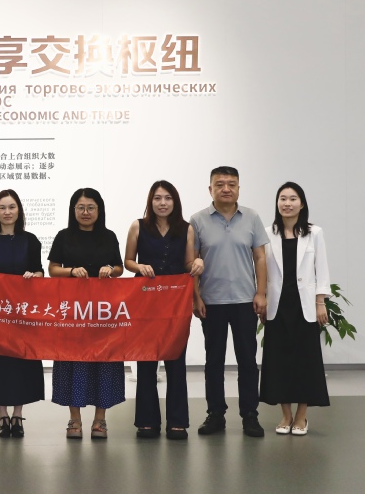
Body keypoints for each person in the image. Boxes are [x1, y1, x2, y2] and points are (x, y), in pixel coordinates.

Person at [191, 166, 269, 438]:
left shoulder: (252, 217)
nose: (226, 188)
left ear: (238, 188)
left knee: (247, 360)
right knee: (213, 361)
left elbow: (260, 257)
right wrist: (196, 297)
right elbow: (192, 262)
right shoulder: (197, 220)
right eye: (220, 184)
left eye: (231, 184)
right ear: (210, 189)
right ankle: (215, 414)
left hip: (245, 300)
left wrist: (261, 293)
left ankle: (250, 415)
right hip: (211, 302)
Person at [123, 181, 203, 440]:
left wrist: (198, 263)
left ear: (175, 201)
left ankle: (177, 422)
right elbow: (128, 261)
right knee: (146, 360)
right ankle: (147, 421)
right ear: (150, 201)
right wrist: (139, 267)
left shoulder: (186, 228)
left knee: (175, 360)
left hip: (175, 303)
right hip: (145, 303)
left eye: (168, 198)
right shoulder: (138, 226)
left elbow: (188, 264)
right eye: (157, 198)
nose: (162, 203)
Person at [47, 188, 124, 440]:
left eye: (91, 207)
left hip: (103, 314)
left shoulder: (109, 236)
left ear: (99, 210)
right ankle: (75, 419)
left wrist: (110, 269)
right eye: (80, 207)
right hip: (72, 313)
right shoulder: (64, 236)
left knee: (104, 361)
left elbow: (119, 267)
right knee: (73, 361)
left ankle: (100, 420)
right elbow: (52, 269)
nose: (86, 212)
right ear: (73, 210)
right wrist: (71, 271)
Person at [0, 189, 45, 439]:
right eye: (2, 207)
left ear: (19, 210)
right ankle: (2, 415)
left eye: (12, 207)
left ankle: (18, 414)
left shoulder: (31, 240)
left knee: (22, 362)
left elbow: (40, 272)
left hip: (23, 315)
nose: (7, 212)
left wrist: (34, 276)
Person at [260, 182, 331, 435]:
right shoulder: (267, 234)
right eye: (283, 198)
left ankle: (302, 416)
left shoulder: (314, 233)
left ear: (302, 204)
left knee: (305, 361)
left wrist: (320, 302)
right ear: (277, 203)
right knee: (279, 361)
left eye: (292, 199)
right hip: (277, 306)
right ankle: (285, 415)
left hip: (305, 306)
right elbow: (261, 270)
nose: (287, 203)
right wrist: (261, 298)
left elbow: (322, 269)